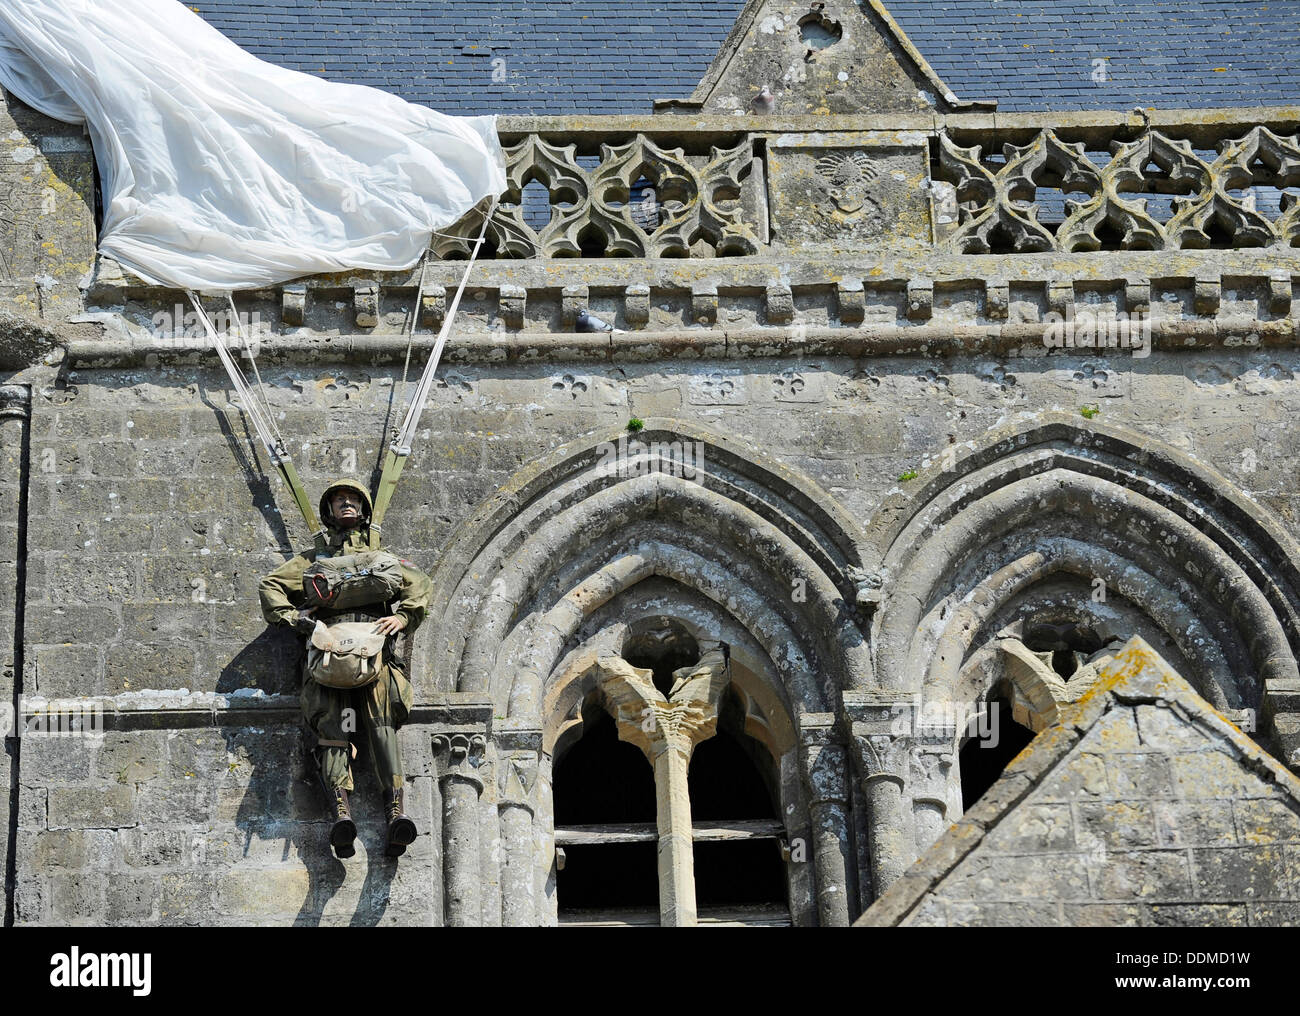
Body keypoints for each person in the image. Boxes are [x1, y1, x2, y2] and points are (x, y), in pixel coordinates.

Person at [258, 479, 431, 859]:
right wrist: (296, 620)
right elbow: (270, 585)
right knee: (334, 729)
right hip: (328, 648)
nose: (346, 504)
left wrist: (402, 618)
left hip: (374, 649)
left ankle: (395, 811)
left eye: (353, 499)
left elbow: (419, 583)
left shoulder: (381, 555)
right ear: (329, 510)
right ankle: (341, 812)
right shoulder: (312, 559)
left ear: (364, 509)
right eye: (339, 500)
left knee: (381, 723)